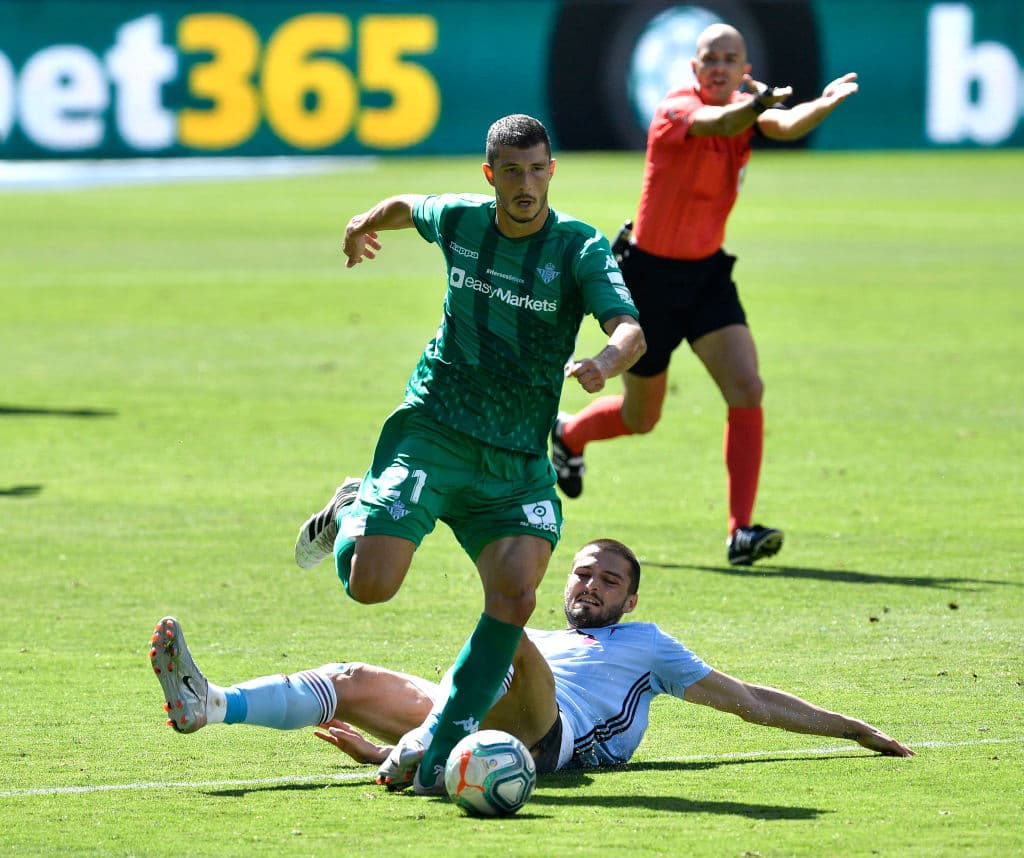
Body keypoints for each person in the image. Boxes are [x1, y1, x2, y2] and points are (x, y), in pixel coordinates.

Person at [289, 114, 646, 794]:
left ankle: (440, 751)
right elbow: (407, 206)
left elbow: (630, 328)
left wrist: (604, 361)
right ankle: (353, 507)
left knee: (515, 596)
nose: (524, 185)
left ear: (551, 170)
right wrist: (362, 222)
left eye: (536, 169)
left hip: (516, 456)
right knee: (370, 587)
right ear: (491, 175)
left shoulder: (578, 246)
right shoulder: (461, 219)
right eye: (511, 171)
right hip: (438, 427)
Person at [149, 538, 913, 782]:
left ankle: (422, 746)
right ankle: (209, 704)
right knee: (351, 679)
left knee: (510, 641)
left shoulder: (648, 646)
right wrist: (386, 749)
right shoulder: (540, 634)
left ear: (630, 599)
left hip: (554, 736)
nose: (590, 585)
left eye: (609, 580)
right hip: (479, 709)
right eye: (582, 574)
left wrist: (854, 729)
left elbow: (753, 701)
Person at [550, 23, 860, 567]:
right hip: (649, 280)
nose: (718, 66)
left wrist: (823, 104)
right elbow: (723, 122)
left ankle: (741, 532)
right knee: (642, 418)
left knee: (746, 386)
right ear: (694, 68)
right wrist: (757, 102)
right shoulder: (677, 109)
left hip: (707, 277)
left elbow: (783, 124)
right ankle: (571, 435)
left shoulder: (745, 105)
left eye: (729, 58)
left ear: (744, 68)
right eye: (709, 59)